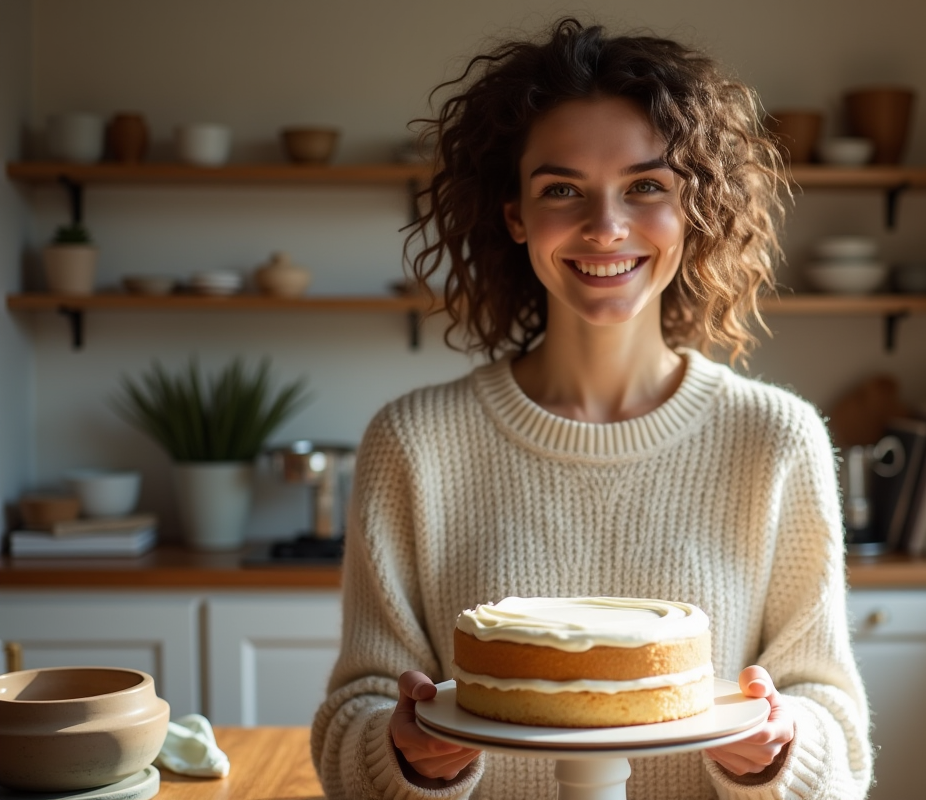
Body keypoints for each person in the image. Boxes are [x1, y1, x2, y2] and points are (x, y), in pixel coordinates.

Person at [312, 17, 872, 800]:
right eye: (562, 189)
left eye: (646, 186)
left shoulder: (776, 440)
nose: (605, 227)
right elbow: (354, 718)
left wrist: (784, 749)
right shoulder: (415, 443)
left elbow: (835, 732)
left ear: (692, 210)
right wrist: (402, 754)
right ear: (516, 216)